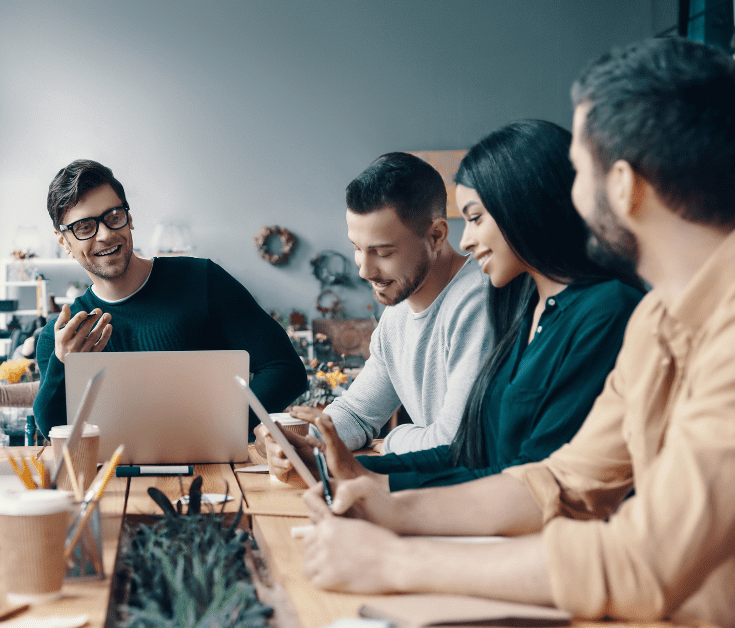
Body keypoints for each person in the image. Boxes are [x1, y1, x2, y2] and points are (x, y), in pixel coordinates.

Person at [298, 38, 735, 625]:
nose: (570, 195)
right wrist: (389, 511)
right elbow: (561, 481)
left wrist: (398, 561)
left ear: (624, 186)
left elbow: (643, 561)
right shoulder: (659, 319)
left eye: (579, 171)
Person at [265, 120, 644, 490]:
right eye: (356, 249)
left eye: (475, 218)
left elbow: (505, 470)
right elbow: (484, 458)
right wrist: (323, 455)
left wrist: (387, 457)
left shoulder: (534, 304)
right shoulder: (530, 309)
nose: (364, 269)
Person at [31, 159, 306, 437]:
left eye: (114, 216)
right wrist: (62, 362)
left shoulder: (203, 280)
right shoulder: (64, 337)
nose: (105, 234)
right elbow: (52, 428)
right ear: (64, 241)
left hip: (214, 472)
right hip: (116, 477)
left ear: (130, 218)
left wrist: (219, 428)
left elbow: (285, 369)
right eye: (85, 227)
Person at [258, 152, 493, 461]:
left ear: (436, 236)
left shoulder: (478, 303)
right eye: (357, 248)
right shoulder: (396, 312)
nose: (364, 271)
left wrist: (392, 442)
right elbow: (357, 412)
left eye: (382, 252)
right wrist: (301, 441)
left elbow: (457, 444)